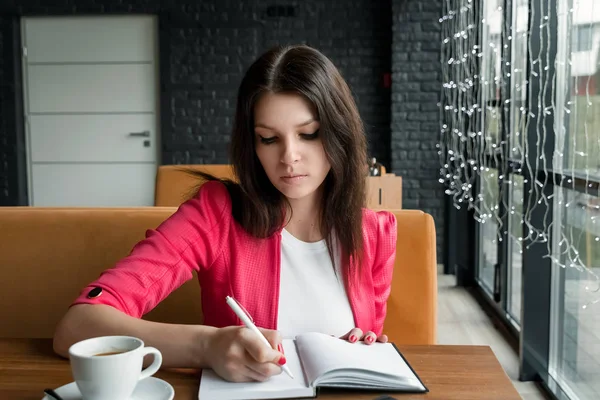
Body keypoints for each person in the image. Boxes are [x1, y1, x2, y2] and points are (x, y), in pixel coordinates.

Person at [53, 44, 397, 383]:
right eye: (268, 138)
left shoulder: (375, 234)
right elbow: (77, 326)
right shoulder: (216, 213)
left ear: (340, 133)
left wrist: (359, 350)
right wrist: (207, 346)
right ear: (252, 144)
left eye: (308, 134)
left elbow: (366, 353)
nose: (289, 156)